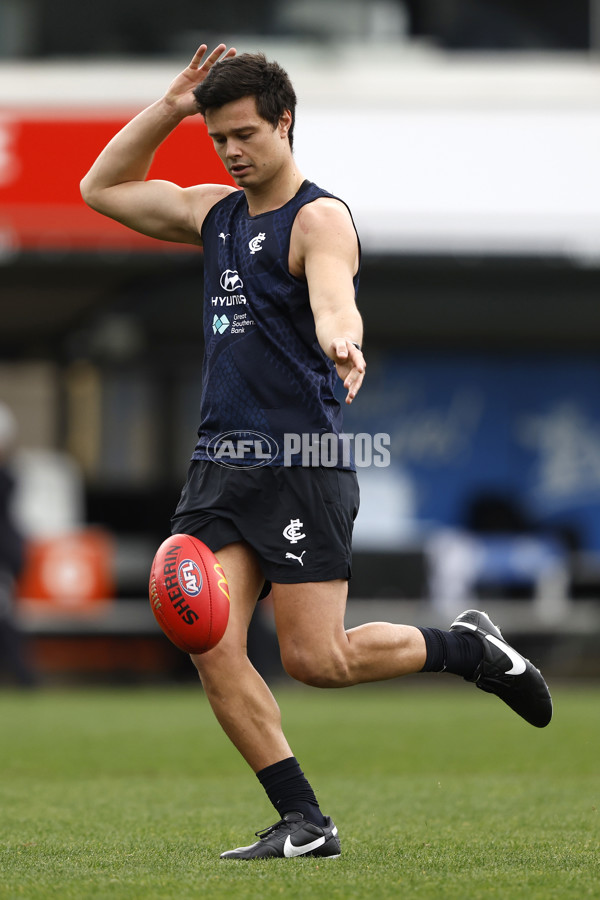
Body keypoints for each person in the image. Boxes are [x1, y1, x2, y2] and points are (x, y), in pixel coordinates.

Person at [80, 44, 552, 860]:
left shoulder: (318, 218)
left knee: (317, 660)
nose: (231, 151)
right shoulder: (212, 214)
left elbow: (336, 296)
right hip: (219, 463)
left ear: (285, 122)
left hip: (301, 461)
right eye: (218, 136)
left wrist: (343, 339)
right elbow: (102, 190)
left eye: (245, 134)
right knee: (205, 636)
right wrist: (169, 108)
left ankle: (470, 648)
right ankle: (305, 820)